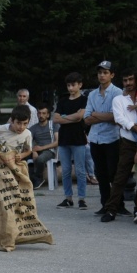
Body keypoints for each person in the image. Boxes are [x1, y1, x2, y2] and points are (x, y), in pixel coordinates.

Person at [100, 68, 137, 222]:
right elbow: (119, 118)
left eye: (130, 80)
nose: (128, 83)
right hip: (128, 141)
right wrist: (136, 127)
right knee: (120, 176)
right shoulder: (119, 100)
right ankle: (111, 209)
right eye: (125, 80)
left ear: (136, 80)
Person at [83, 61, 124, 215]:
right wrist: (104, 116)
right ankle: (105, 204)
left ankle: (118, 204)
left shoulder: (118, 93)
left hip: (112, 138)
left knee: (113, 173)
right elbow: (86, 119)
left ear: (112, 75)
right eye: (100, 72)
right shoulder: (92, 94)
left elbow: (116, 117)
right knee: (101, 174)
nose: (102, 75)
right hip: (95, 138)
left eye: (105, 72)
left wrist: (96, 114)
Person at [54, 72, 88, 209]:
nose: (70, 88)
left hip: (78, 138)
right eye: (68, 85)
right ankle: (68, 198)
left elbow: (80, 117)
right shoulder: (62, 100)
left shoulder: (84, 100)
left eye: (73, 85)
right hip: (64, 139)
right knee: (66, 170)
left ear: (80, 85)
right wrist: (71, 117)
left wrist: (65, 117)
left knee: (80, 170)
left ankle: (82, 198)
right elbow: (56, 119)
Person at [28, 103, 59, 189]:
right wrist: (33, 151)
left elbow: (57, 142)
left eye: (44, 113)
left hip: (50, 150)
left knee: (40, 159)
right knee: (23, 157)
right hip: (37, 150)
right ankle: (28, 179)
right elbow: (28, 142)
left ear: (48, 115)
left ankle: (38, 178)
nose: (41, 115)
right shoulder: (33, 128)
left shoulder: (53, 125)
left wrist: (41, 148)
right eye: (39, 113)